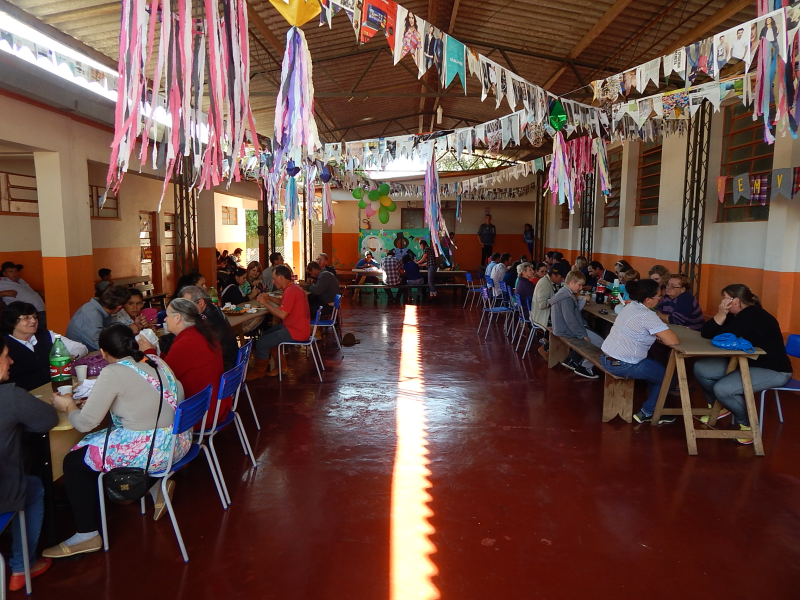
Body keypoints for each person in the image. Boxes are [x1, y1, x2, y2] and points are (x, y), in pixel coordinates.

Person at [45, 325, 189, 557]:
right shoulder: (154, 360)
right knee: (98, 444)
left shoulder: (113, 372)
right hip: (177, 442)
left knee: (73, 462)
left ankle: (87, 534)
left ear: (102, 352)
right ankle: (156, 486)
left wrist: (68, 405)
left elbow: (84, 424)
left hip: (152, 452)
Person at [694, 285, 793, 443]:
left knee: (723, 389)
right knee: (702, 368)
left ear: (736, 300)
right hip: (744, 363)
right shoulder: (736, 315)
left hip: (772, 369)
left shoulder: (752, 314)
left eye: (725, 298)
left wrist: (721, 314)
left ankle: (747, 426)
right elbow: (707, 333)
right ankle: (718, 408)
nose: (722, 302)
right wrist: (721, 314)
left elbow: (722, 336)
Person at [0, 336, 58, 590]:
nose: (11, 360)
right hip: (3, 491)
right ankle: (22, 567)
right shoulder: (9, 396)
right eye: (5, 356)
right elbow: (47, 419)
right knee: (33, 487)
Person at [601, 279, 680, 424]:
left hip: (607, 357)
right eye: (658, 297)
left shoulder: (630, 307)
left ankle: (654, 404)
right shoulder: (647, 315)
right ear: (648, 299)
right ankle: (648, 412)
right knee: (668, 377)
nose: (660, 300)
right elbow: (672, 341)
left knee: (656, 370)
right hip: (625, 363)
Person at [141, 299, 226, 426]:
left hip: (199, 414)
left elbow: (163, 377)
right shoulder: (200, 332)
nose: (165, 320)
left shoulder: (187, 341)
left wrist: (147, 353)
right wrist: (156, 352)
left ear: (177, 318)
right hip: (214, 403)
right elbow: (174, 363)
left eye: (167, 316)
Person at [1, 301, 88, 391]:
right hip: (24, 394)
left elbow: (81, 348)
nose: (33, 321)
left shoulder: (46, 334)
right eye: (27, 318)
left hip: (54, 388)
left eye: (35, 317)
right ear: (12, 321)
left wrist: (70, 357)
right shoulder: (3, 344)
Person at [246, 265, 311, 379]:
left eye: (274, 278)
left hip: (296, 331)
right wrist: (269, 298)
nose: (273, 281)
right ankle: (282, 366)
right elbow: (283, 302)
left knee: (262, 342)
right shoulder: (292, 288)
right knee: (267, 334)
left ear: (281, 277)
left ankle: (259, 371)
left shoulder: (291, 290)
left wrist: (265, 303)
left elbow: (282, 314)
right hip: (296, 328)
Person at [549, 271, 603, 379]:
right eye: (580, 285)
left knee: (595, 334)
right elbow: (571, 321)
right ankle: (584, 367)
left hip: (562, 328)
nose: (581, 288)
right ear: (572, 282)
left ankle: (572, 359)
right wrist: (582, 335)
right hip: (566, 330)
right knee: (601, 343)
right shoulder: (566, 298)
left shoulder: (564, 292)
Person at [180, 286, 238, 371]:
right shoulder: (214, 309)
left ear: (201, 303)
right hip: (230, 361)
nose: (183, 308)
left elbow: (187, 343)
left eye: (187, 304)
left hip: (223, 366)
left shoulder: (205, 319)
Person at [65, 285, 130, 351]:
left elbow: (113, 328)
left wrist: (131, 328)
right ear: (119, 307)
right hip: (81, 355)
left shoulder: (101, 308)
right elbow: (103, 346)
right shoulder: (91, 316)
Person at [0, 262, 47, 329]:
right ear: (4, 274)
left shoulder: (21, 280)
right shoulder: (2, 283)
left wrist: (38, 292)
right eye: (11, 271)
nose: (14, 273)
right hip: (26, 313)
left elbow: (26, 291)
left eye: (16, 271)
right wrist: (4, 293)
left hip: (40, 309)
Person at [531, 264, 567, 330]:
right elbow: (542, 305)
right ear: (553, 275)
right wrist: (558, 298)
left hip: (547, 314)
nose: (562, 280)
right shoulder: (544, 284)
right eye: (561, 277)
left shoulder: (550, 281)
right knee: (568, 319)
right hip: (543, 317)